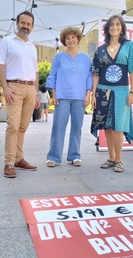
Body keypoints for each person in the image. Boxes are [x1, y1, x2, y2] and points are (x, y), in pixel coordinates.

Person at [90, 14, 133, 172]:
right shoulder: (100, 50)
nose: (114, 27)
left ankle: (119, 160)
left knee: (118, 125)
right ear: (107, 29)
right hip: (102, 91)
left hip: (121, 91)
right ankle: (111, 158)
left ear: (122, 28)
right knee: (107, 125)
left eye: (118, 24)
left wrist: (132, 92)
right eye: (111, 25)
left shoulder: (129, 46)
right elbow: (96, 74)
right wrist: (93, 95)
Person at [0, 10, 40, 178]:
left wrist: (35, 92)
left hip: (30, 89)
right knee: (13, 125)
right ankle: (9, 163)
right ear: (17, 23)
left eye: (28, 24)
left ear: (32, 27)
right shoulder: (7, 41)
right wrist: (5, 88)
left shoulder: (33, 47)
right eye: (23, 23)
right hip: (14, 86)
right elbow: (0, 66)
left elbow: (35, 71)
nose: (25, 26)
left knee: (22, 127)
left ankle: (19, 158)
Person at [46, 27, 92, 168]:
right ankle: (53, 157)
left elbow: (89, 78)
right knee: (58, 127)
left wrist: (88, 95)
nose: (71, 40)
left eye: (73, 37)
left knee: (77, 127)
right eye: (67, 38)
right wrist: (54, 94)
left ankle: (74, 155)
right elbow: (52, 76)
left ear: (78, 39)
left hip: (79, 98)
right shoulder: (58, 57)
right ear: (64, 41)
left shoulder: (85, 58)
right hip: (62, 97)